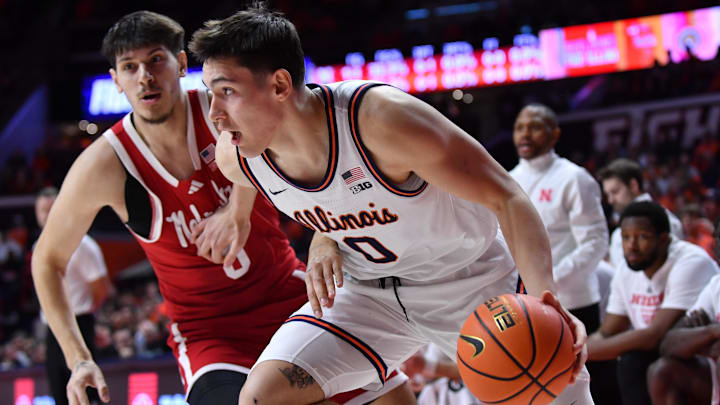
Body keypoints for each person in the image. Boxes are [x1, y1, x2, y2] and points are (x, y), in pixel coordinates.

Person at [189, 5, 592, 405]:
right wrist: (320, 235)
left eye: (227, 92)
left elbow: (506, 196)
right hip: (366, 295)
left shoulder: (381, 120)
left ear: (279, 85)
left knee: (553, 387)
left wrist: (545, 301)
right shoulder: (237, 155)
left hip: (469, 282)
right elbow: (320, 194)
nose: (214, 114)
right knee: (262, 398)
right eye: (210, 93)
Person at [31, 11, 412, 405]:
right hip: (210, 336)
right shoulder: (106, 164)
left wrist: (243, 211)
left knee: (396, 398)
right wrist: (78, 360)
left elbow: (318, 159)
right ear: (116, 80)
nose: (144, 76)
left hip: (288, 296)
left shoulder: (226, 110)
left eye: (156, 60)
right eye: (130, 67)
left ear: (180, 64)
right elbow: (47, 260)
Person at [508, 103, 618, 404]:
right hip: (529, 307)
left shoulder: (574, 178)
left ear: (555, 134)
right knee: (544, 393)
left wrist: (547, 282)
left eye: (535, 126)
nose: (525, 133)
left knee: (598, 387)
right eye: (519, 127)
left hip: (576, 302)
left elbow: (595, 242)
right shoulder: (507, 180)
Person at [587, 201, 718, 405]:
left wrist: (581, 353)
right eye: (626, 237)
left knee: (637, 362)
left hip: (691, 359)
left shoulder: (691, 262)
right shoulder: (626, 268)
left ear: (664, 239)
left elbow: (654, 336)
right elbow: (607, 331)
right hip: (664, 350)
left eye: (643, 237)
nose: (631, 245)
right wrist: (574, 352)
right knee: (620, 361)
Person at [34, 186, 112, 405]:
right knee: (60, 394)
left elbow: (102, 288)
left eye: (52, 209)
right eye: (43, 210)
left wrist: (87, 313)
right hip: (52, 329)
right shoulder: (39, 247)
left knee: (87, 394)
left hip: (80, 323)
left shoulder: (83, 244)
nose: (47, 215)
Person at [647, 221, 720, 405]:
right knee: (662, 371)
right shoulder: (715, 286)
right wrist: (711, 332)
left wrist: (700, 341)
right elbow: (669, 344)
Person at [597, 158, 684, 268]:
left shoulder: (664, 221)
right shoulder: (618, 231)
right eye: (608, 195)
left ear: (633, 185)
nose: (611, 200)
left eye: (615, 192)